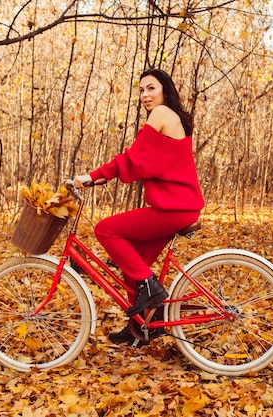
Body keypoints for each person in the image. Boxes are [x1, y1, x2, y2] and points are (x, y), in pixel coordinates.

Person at [73, 68, 205, 345]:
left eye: (151, 88)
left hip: (173, 209)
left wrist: (94, 176)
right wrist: (100, 179)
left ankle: (151, 289)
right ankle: (142, 326)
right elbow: (145, 162)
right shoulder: (171, 118)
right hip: (179, 207)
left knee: (106, 230)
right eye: (142, 90)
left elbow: (133, 158)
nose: (145, 95)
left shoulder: (160, 114)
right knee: (135, 265)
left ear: (165, 91)